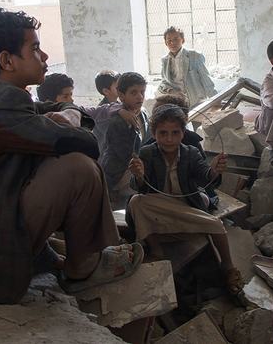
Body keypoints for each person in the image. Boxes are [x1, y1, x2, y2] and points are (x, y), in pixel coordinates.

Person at [0, 7, 142, 304]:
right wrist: (68, 119)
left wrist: (65, 113)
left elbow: (41, 111)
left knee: (51, 157)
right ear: (7, 60)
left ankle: (70, 254)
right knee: (79, 167)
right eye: (35, 48)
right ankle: (83, 267)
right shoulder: (4, 103)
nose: (45, 56)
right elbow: (87, 144)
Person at [126, 105, 244, 294]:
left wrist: (214, 170)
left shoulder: (191, 153)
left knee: (216, 225)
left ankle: (228, 267)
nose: (169, 139)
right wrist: (139, 175)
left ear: (183, 133)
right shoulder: (147, 152)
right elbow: (139, 186)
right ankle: (157, 250)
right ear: (154, 133)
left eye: (175, 132)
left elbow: (205, 178)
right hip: (158, 207)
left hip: (184, 206)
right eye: (163, 133)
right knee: (136, 201)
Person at [97, 72, 149, 210]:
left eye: (142, 92)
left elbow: (147, 141)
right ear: (121, 95)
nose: (140, 96)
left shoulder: (142, 113)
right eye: (134, 92)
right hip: (119, 172)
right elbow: (125, 155)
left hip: (136, 166)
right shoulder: (117, 121)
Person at [157, 27, 217, 106]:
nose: (172, 43)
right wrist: (172, 91)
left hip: (196, 101)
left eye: (176, 39)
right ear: (166, 43)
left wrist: (216, 100)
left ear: (183, 40)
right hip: (176, 102)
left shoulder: (195, 56)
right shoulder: (165, 60)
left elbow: (206, 80)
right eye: (169, 40)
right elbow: (164, 82)